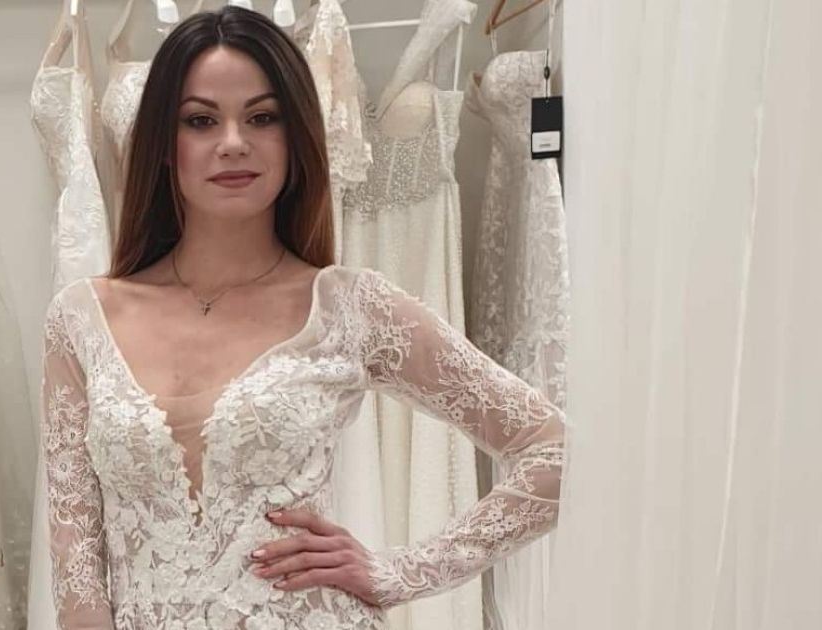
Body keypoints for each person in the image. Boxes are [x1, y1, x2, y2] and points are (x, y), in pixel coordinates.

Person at [40, 6, 566, 628]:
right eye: (200, 120)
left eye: (262, 118)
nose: (233, 142)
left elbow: (552, 450)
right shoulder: (84, 319)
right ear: (162, 143)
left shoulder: (348, 309)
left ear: (296, 137)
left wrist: (399, 572)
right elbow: (77, 570)